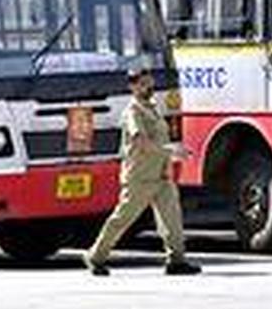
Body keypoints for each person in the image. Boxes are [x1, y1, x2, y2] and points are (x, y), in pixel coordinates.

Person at [84, 68, 201, 276]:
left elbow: (160, 138)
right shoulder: (133, 111)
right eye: (143, 84)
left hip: (161, 175)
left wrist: (171, 153)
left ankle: (176, 259)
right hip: (140, 177)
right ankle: (96, 256)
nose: (148, 87)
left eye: (149, 83)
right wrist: (169, 150)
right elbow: (140, 141)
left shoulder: (153, 108)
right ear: (133, 87)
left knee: (172, 219)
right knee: (122, 219)